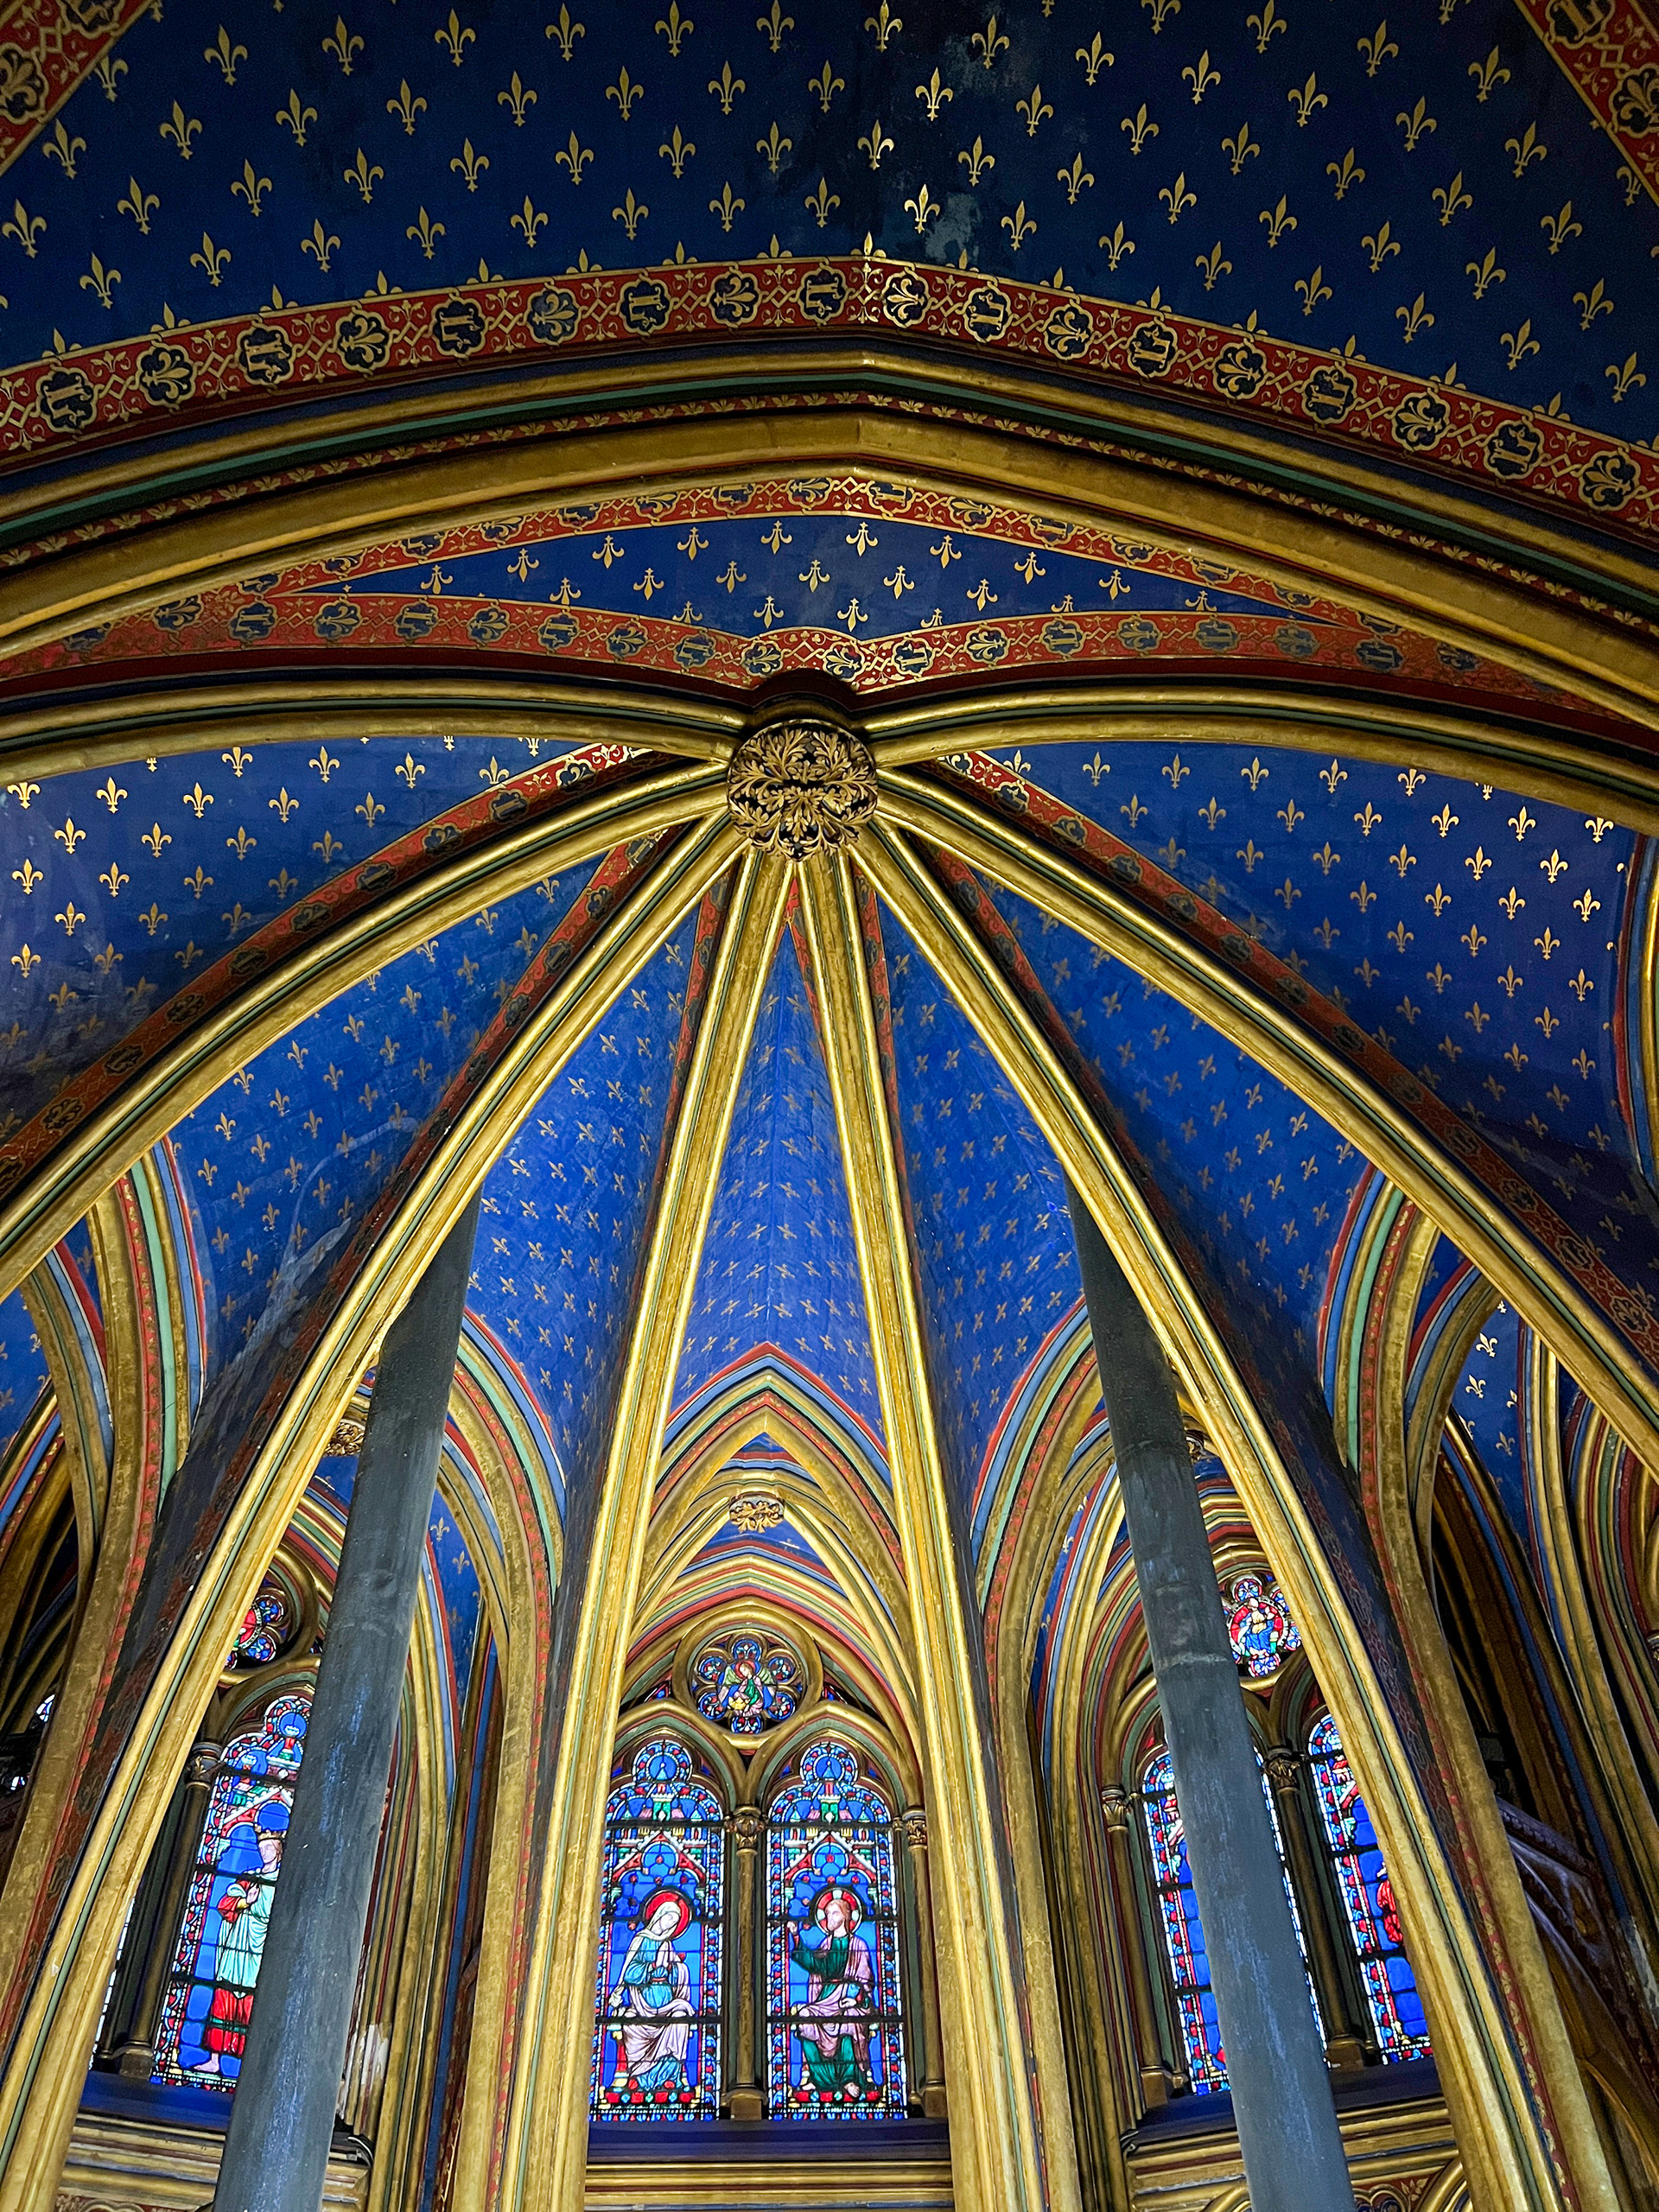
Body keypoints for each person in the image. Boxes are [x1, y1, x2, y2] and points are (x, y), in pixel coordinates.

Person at [193, 1795, 287, 2075]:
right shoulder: (249, 1876)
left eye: (269, 1847)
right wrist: (246, 1899)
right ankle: (214, 2060)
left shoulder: (284, 1881)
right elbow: (226, 1903)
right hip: (237, 1950)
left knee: (251, 2007)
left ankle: (250, 2069)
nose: (264, 1852)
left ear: (279, 1850)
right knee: (223, 2003)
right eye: (262, 1847)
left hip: (260, 1953)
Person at [788, 1884, 876, 2101]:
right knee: (804, 2019)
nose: (829, 1917)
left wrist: (855, 1998)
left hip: (850, 1998)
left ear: (846, 1916)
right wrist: (796, 1936)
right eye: (827, 1913)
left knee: (847, 2022)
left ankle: (850, 2078)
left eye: (834, 1912)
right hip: (826, 1998)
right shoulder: (826, 1944)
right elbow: (815, 1964)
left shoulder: (859, 1945)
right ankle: (814, 2076)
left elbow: (866, 1980)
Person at [607, 1888, 694, 2102]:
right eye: (667, 1919)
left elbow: (678, 1974)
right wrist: (651, 1969)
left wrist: (675, 1969)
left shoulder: (668, 1945)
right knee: (630, 2022)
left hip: (666, 1999)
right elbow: (629, 1972)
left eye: (674, 1922)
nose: (669, 1925)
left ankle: (670, 2078)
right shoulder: (641, 1940)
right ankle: (637, 2077)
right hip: (641, 2001)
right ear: (658, 1916)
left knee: (681, 2014)